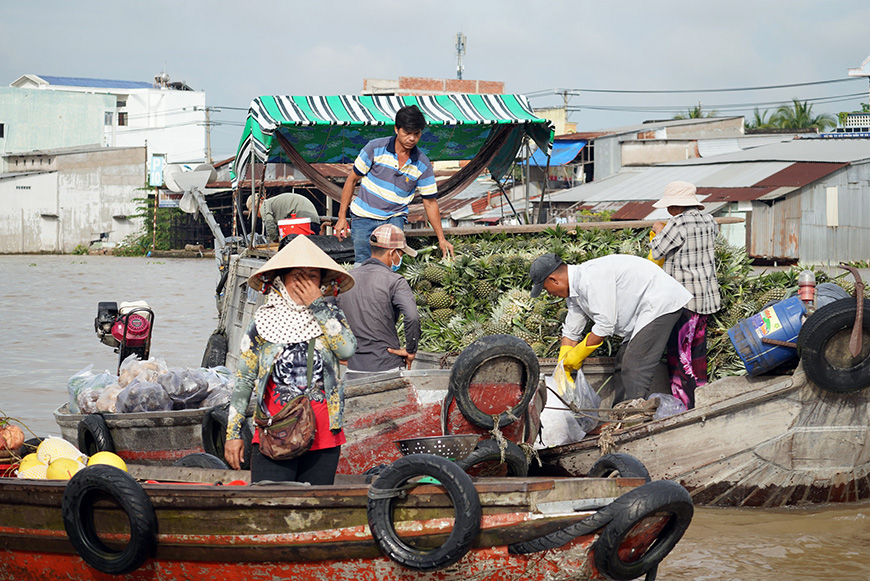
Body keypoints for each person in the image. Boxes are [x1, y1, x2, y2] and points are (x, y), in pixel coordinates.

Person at [224, 235, 356, 484]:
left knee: (315, 515)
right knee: (268, 510)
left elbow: (347, 351)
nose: (304, 283)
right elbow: (243, 382)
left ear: (321, 283)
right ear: (282, 280)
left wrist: (318, 306)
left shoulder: (330, 316)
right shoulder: (262, 323)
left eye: (312, 276)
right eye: (297, 275)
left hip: (323, 437)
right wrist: (233, 434)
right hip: (274, 434)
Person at [530, 253, 692, 405]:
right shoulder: (574, 292)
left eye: (546, 289)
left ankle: (634, 418)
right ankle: (620, 412)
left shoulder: (590, 279)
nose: (550, 294)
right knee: (622, 362)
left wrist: (577, 355)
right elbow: (572, 331)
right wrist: (562, 366)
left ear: (554, 280)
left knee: (634, 364)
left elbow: (605, 325)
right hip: (643, 310)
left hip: (660, 302)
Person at [333, 104, 454, 264]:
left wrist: (441, 238)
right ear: (397, 129)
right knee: (362, 263)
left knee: (392, 265)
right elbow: (352, 180)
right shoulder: (375, 148)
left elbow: (430, 203)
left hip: (394, 217)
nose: (411, 138)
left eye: (416, 134)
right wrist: (341, 217)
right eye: (407, 133)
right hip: (363, 216)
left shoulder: (423, 164)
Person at [649, 180, 721, 409]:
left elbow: (657, 250)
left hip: (684, 301)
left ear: (676, 206)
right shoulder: (709, 220)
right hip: (706, 298)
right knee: (697, 353)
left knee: (680, 355)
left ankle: (684, 405)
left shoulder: (677, 224)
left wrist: (659, 231)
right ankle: (702, 398)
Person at [338, 224, 421, 373]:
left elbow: (326, 313)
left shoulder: (346, 279)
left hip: (353, 367)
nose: (400, 259)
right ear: (392, 252)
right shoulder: (395, 281)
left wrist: (337, 349)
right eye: (401, 255)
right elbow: (412, 316)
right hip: (387, 366)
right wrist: (411, 349)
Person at [246, 192, 321, 241]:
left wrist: (275, 240)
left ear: (256, 206)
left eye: (254, 212)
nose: (258, 216)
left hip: (301, 221)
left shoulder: (264, 205)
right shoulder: (273, 203)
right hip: (313, 219)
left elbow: (269, 223)